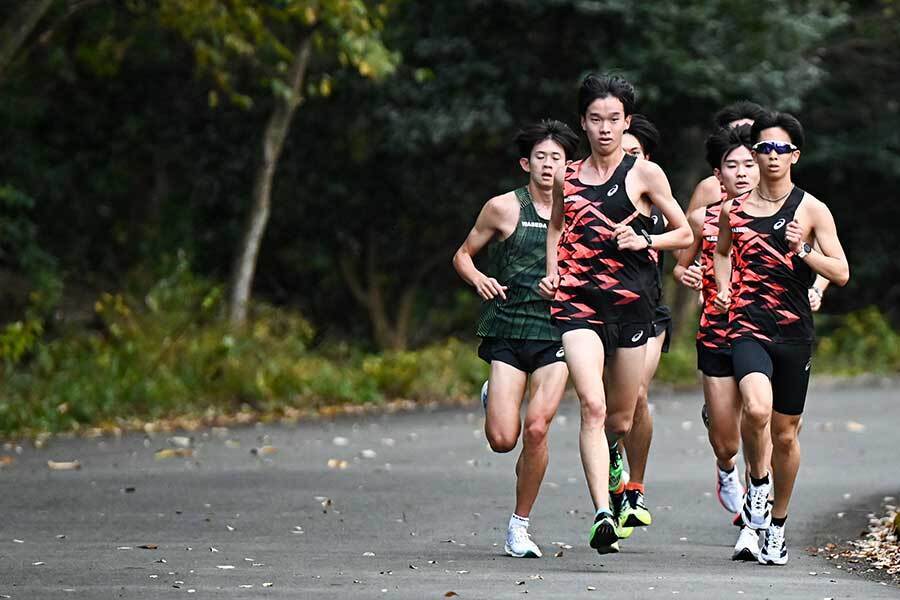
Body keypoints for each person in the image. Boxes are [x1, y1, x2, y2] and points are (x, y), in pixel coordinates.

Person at [539, 74, 692, 554]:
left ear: (626, 122)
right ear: (582, 123)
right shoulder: (569, 176)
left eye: (614, 119)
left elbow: (685, 233)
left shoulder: (644, 175)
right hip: (578, 305)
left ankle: (618, 469)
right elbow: (555, 230)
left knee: (621, 421)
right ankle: (603, 512)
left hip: (631, 307)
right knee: (593, 406)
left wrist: (646, 239)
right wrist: (553, 273)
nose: (604, 128)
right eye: (595, 119)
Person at [713, 112, 850, 565]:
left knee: (786, 436)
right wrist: (724, 287)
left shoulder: (811, 209)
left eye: (781, 149)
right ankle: (758, 482)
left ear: (795, 155)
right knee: (754, 408)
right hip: (748, 325)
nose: (772, 156)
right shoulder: (734, 208)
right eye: (764, 148)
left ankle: (777, 525)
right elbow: (722, 251)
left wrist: (804, 251)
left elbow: (842, 272)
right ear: (754, 153)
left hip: (793, 331)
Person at [452, 119, 579, 559]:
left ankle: (519, 526)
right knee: (504, 439)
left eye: (557, 158)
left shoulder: (580, 211)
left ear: (569, 165)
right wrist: (479, 278)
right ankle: (494, 396)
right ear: (526, 163)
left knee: (538, 428)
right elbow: (463, 255)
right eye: (540, 157)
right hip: (508, 327)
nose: (548, 166)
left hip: (558, 332)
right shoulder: (503, 208)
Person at [675, 124, 762, 560]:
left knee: (758, 418)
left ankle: (754, 518)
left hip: (764, 334)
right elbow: (680, 267)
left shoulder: (782, 214)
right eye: (733, 166)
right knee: (727, 440)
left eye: (750, 164)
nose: (743, 173)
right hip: (716, 332)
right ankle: (726, 466)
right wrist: (686, 273)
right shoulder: (701, 219)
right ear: (718, 175)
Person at [614, 114, 669, 534]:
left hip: (650, 312)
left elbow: (693, 235)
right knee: (606, 405)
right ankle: (611, 477)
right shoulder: (599, 194)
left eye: (634, 153)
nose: (626, 159)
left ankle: (635, 487)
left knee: (638, 393)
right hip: (601, 311)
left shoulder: (656, 194)